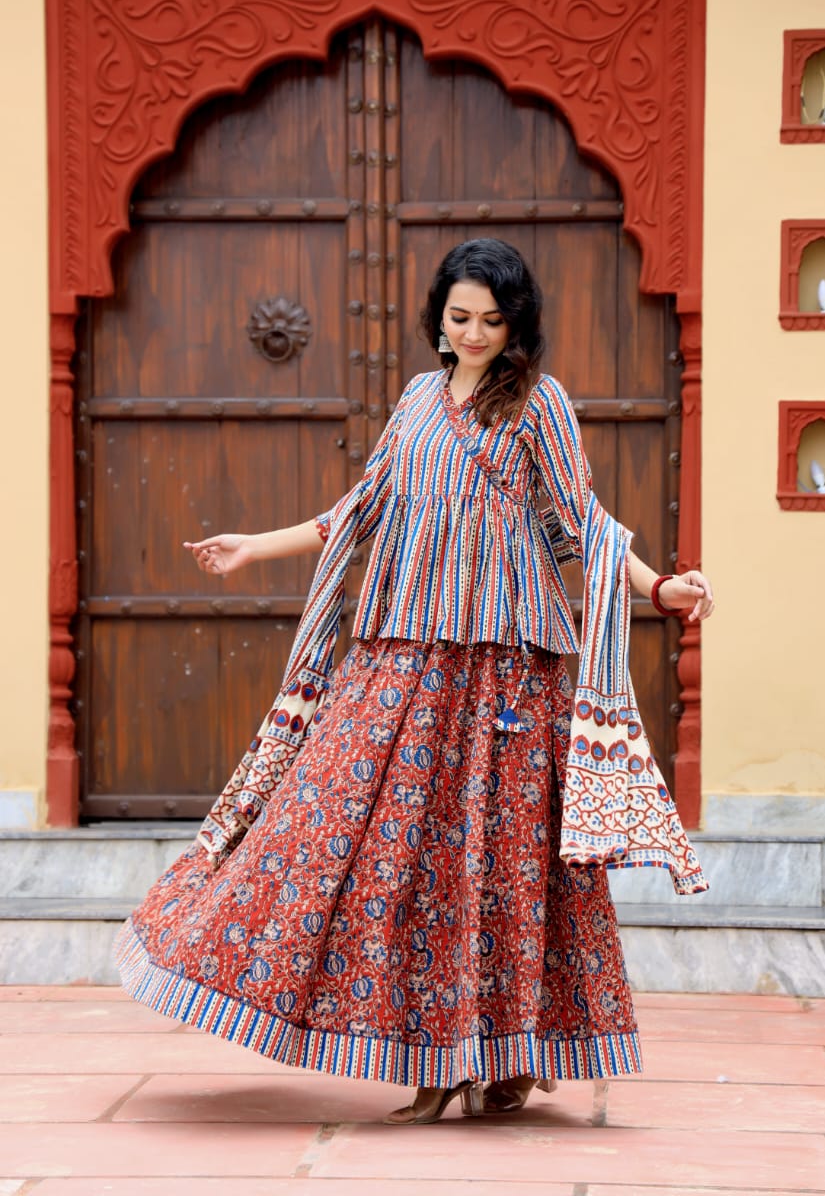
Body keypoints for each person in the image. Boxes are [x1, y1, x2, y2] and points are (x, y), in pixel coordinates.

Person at [115, 238, 713, 1126]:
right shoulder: (415, 401)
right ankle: (431, 1056)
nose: (471, 334)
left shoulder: (539, 405)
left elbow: (579, 522)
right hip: (401, 654)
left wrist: (657, 586)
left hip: (508, 667)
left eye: (490, 320)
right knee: (366, 845)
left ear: (516, 326)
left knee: (500, 865)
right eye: (458, 317)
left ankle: (502, 1060)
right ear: (438, 315)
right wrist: (253, 548)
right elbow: (359, 510)